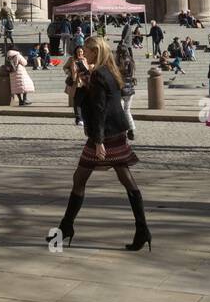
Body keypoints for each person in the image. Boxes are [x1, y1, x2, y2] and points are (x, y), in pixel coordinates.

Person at [49, 36, 151, 252]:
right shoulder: (108, 71)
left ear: (95, 51)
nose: (83, 51)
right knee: (123, 178)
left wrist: (98, 141)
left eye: (87, 48)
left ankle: (67, 227)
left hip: (105, 134)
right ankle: (142, 229)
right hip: (116, 130)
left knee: (80, 178)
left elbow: (99, 110)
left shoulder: (99, 74)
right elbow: (97, 97)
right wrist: (85, 78)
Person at [115, 41, 137, 139]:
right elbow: (132, 75)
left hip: (121, 87)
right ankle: (130, 129)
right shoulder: (131, 61)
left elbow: (116, 74)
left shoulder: (119, 61)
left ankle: (123, 130)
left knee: (120, 110)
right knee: (127, 110)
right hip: (130, 88)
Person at [64, 45, 90, 125]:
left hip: (86, 82)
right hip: (76, 82)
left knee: (85, 101)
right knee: (77, 101)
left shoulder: (86, 59)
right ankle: (78, 118)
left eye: (81, 51)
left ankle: (83, 118)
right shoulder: (72, 59)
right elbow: (65, 68)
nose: (79, 53)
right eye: (78, 51)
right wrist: (70, 73)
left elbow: (89, 69)